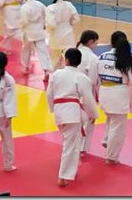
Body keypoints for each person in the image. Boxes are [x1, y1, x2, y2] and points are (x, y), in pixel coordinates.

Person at [91, 31, 132, 164]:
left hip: (104, 93)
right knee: (118, 128)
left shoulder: (101, 57)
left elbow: (94, 77)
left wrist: (94, 91)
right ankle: (111, 157)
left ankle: (107, 139)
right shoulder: (126, 60)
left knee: (111, 118)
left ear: (111, 43)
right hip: (118, 96)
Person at [46, 48, 98, 187]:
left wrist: (52, 108)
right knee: (70, 145)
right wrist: (93, 114)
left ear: (66, 60)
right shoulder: (82, 78)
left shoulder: (56, 74)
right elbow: (88, 99)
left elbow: (49, 94)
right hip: (72, 113)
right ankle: (63, 176)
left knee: (70, 143)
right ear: (79, 62)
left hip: (59, 111)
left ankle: (70, 171)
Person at [76, 30, 100, 154]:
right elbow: (93, 80)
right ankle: (82, 148)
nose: (96, 45)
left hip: (71, 91)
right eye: (96, 43)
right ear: (91, 41)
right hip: (85, 92)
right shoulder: (92, 58)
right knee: (88, 120)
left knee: (75, 120)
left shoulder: (74, 51)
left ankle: (75, 145)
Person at [46, 0, 80, 70]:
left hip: (56, 35)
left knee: (55, 56)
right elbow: (76, 18)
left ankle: (50, 72)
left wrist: (49, 30)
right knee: (69, 56)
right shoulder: (69, 5)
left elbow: (51, 24)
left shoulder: (51, 7)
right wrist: (69, 23)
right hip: (68, 35)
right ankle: (69, 72)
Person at [20, 0, 51, 77]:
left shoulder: (24, 7)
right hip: (39, 31)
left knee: (26, 49)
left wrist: (21, 27)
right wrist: (44, 23)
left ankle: (26, 67)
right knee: (42, 51)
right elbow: (47, 13)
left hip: (28, 31)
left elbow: (24, 21)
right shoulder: (40, 4)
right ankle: (46, 70)